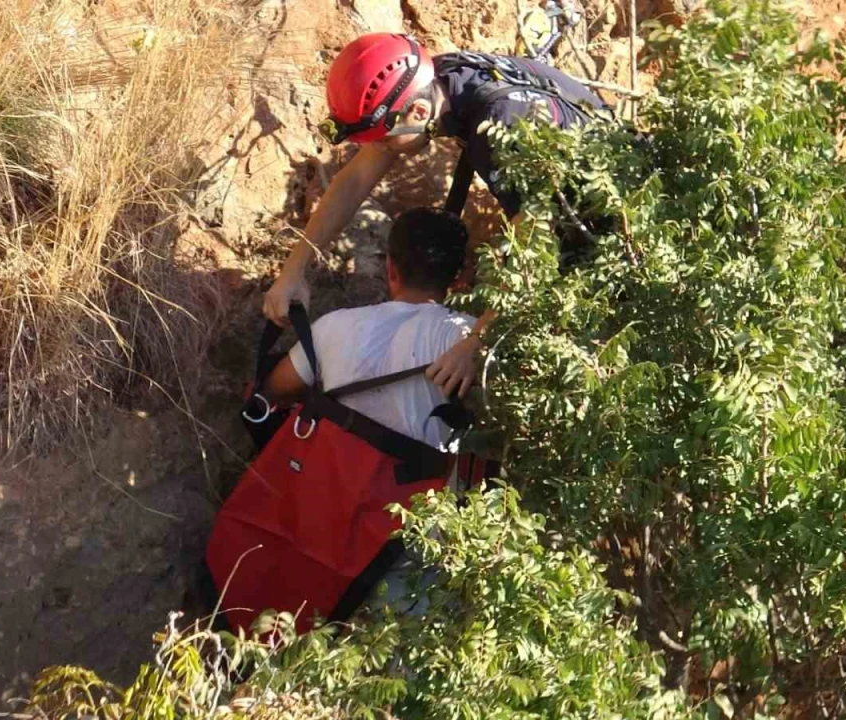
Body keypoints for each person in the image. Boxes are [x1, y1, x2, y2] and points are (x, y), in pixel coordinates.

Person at [263, 33, 613, 398]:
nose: (379, 150)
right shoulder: (436, 78)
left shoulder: (499, 126)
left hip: (613, 221)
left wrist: (475, 344)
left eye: (383, 139)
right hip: (565, 193)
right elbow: (354, 180)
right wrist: (293, 270)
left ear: (417, 113)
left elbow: (535, 245)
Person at [261, 206, 474, 450]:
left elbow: (275, 389)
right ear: (459, 281)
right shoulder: (469, 338)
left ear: (390, 267)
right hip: (421, 486)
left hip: (331, 477)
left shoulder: (332, 326)